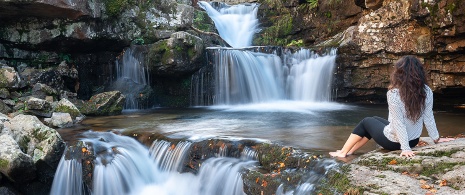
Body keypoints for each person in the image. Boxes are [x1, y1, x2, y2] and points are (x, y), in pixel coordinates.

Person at [329, 55, 454, 158]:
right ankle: (350, 152)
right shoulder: (426, 90)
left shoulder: (394, 93)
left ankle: (343, 152)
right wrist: (436, 138)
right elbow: (428, 116)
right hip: (414, 140)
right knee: (375, 119)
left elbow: (399, 122)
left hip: (394, 143)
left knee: (366, 122)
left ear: (399, 73)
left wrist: (405, 148)